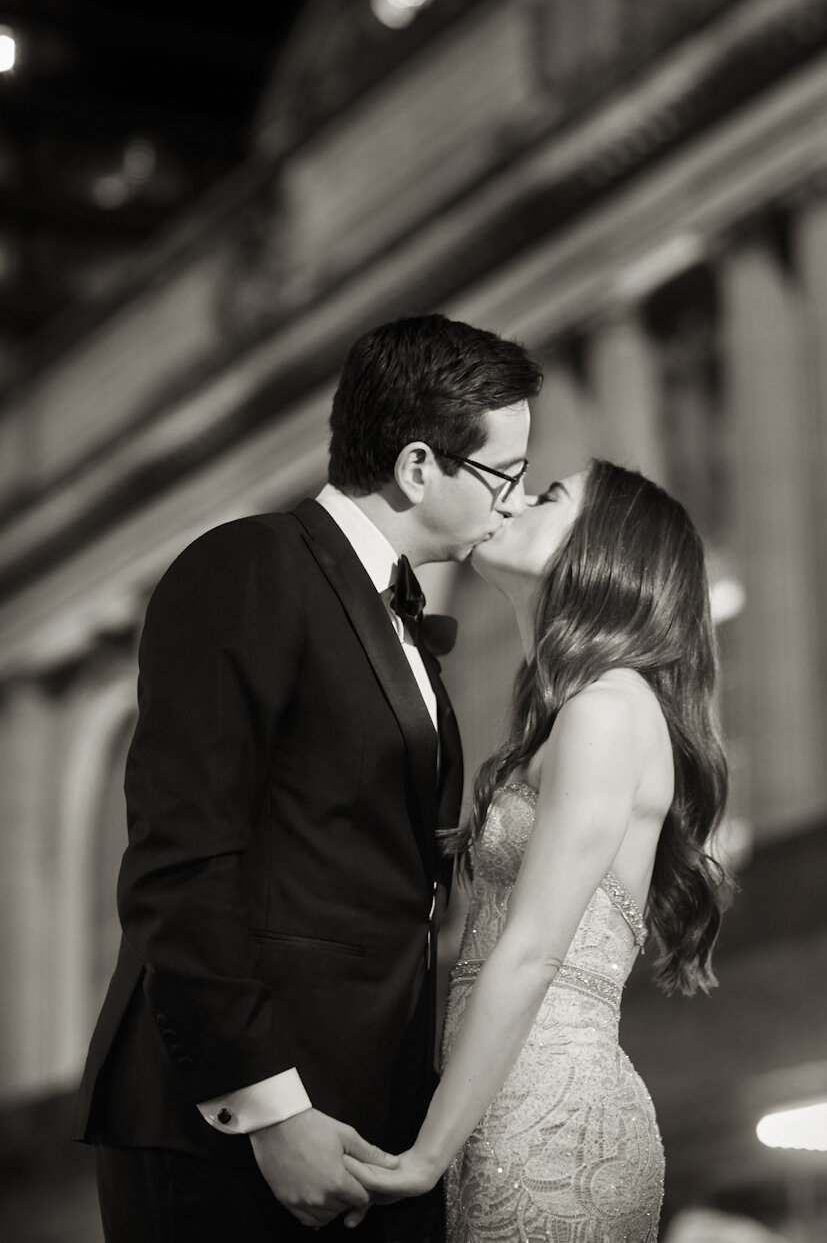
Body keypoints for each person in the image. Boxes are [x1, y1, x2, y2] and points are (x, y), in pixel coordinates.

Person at [73, 314, 543, 1241]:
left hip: (365, 1113)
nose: (514, 502)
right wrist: (270, 1111)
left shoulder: (397, 614)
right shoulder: (245, 569)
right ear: (417, 467)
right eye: (504, 475)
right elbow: (181, 862)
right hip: (230, 1124)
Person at [345, 460, 734, 1242]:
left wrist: (424, 1156)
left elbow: (529, 951)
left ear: (605, 550)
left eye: (548, 495)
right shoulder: (574, 719)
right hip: (496, 1107)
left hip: (549, 1125)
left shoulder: (609, 710)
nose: (513, 497)